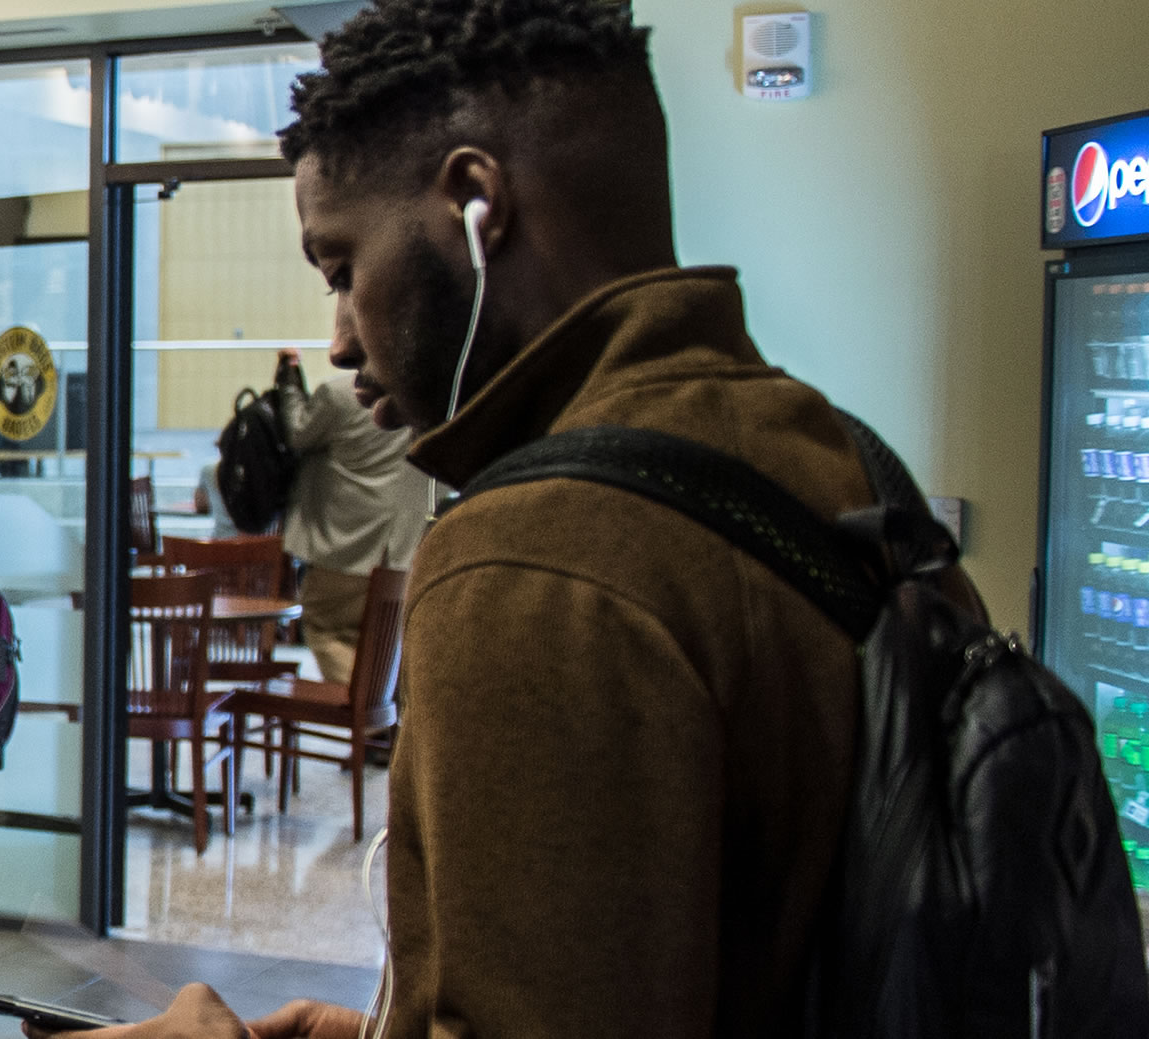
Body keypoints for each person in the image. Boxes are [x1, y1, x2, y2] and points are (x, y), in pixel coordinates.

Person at [66, 1, 972, 1034]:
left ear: (474, 206)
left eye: (342, 268)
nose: (341, 342)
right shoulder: (843, 461)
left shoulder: (529, 558)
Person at [269, 348, 432, 683]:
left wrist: (288, 385)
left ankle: (368, 725)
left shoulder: (341, 393)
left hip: (343, 550)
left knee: (328, 628)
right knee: (391, 644)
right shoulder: (429, 395)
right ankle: (390, 719)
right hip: (404, 553)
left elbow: (299, 433)